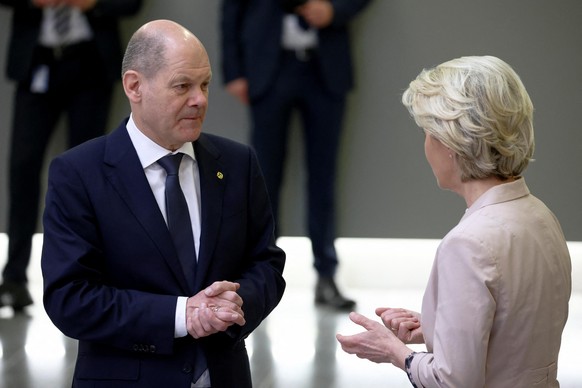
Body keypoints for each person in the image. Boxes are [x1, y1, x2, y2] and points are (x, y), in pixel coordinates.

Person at [41, 19, 286, 388]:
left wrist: (235, 306)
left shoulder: (237, 163)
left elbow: (265, 263)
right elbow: (70, 297)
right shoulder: (79, 173)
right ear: (135, 86)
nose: (200, 99)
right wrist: (180, 315)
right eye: (182, 86)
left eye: (204, 85)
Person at [336, 55, 572, 387]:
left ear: (453, 142)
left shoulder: (469, 243)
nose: (426, 145)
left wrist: (395, 351)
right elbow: (516, 330)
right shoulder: (540, 216)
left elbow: (453, 381)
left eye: (428, 133)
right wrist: (438, 326)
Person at [221, 0, 371, 310]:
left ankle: (326, 275)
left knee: (324, 179)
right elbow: (231, 9)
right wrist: (233, 70)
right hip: (267, 67)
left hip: (324, 68)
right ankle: (261, 278)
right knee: (263, 180)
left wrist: (333, 10)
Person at [0, 0, 143, 312]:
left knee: (90, 174)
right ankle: (14, 276)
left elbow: (131, 3)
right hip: (36, 61)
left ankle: (86, 275)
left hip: (90, 62)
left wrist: (93, 2)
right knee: (22, 167)